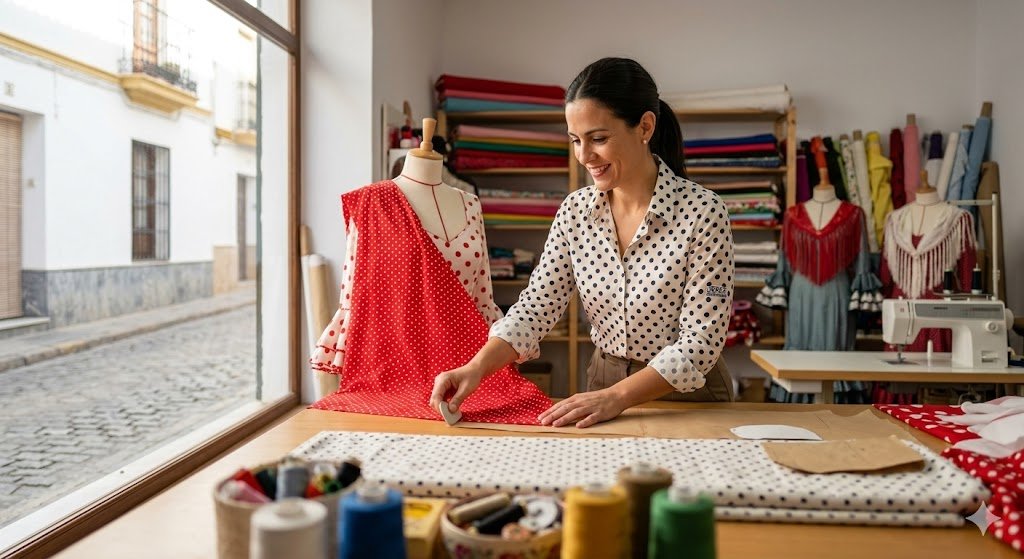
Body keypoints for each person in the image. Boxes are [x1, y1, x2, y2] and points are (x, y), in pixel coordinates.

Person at [429, 57, 736, 428]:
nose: (584, 156)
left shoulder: (702, 212)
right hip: (603, 385)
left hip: (689, 398)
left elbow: (701, 342)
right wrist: (476, 368)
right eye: (576, 140)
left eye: (599, 138)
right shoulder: (575, 213)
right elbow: (536, 308)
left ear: (645, 127)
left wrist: (617, 397)